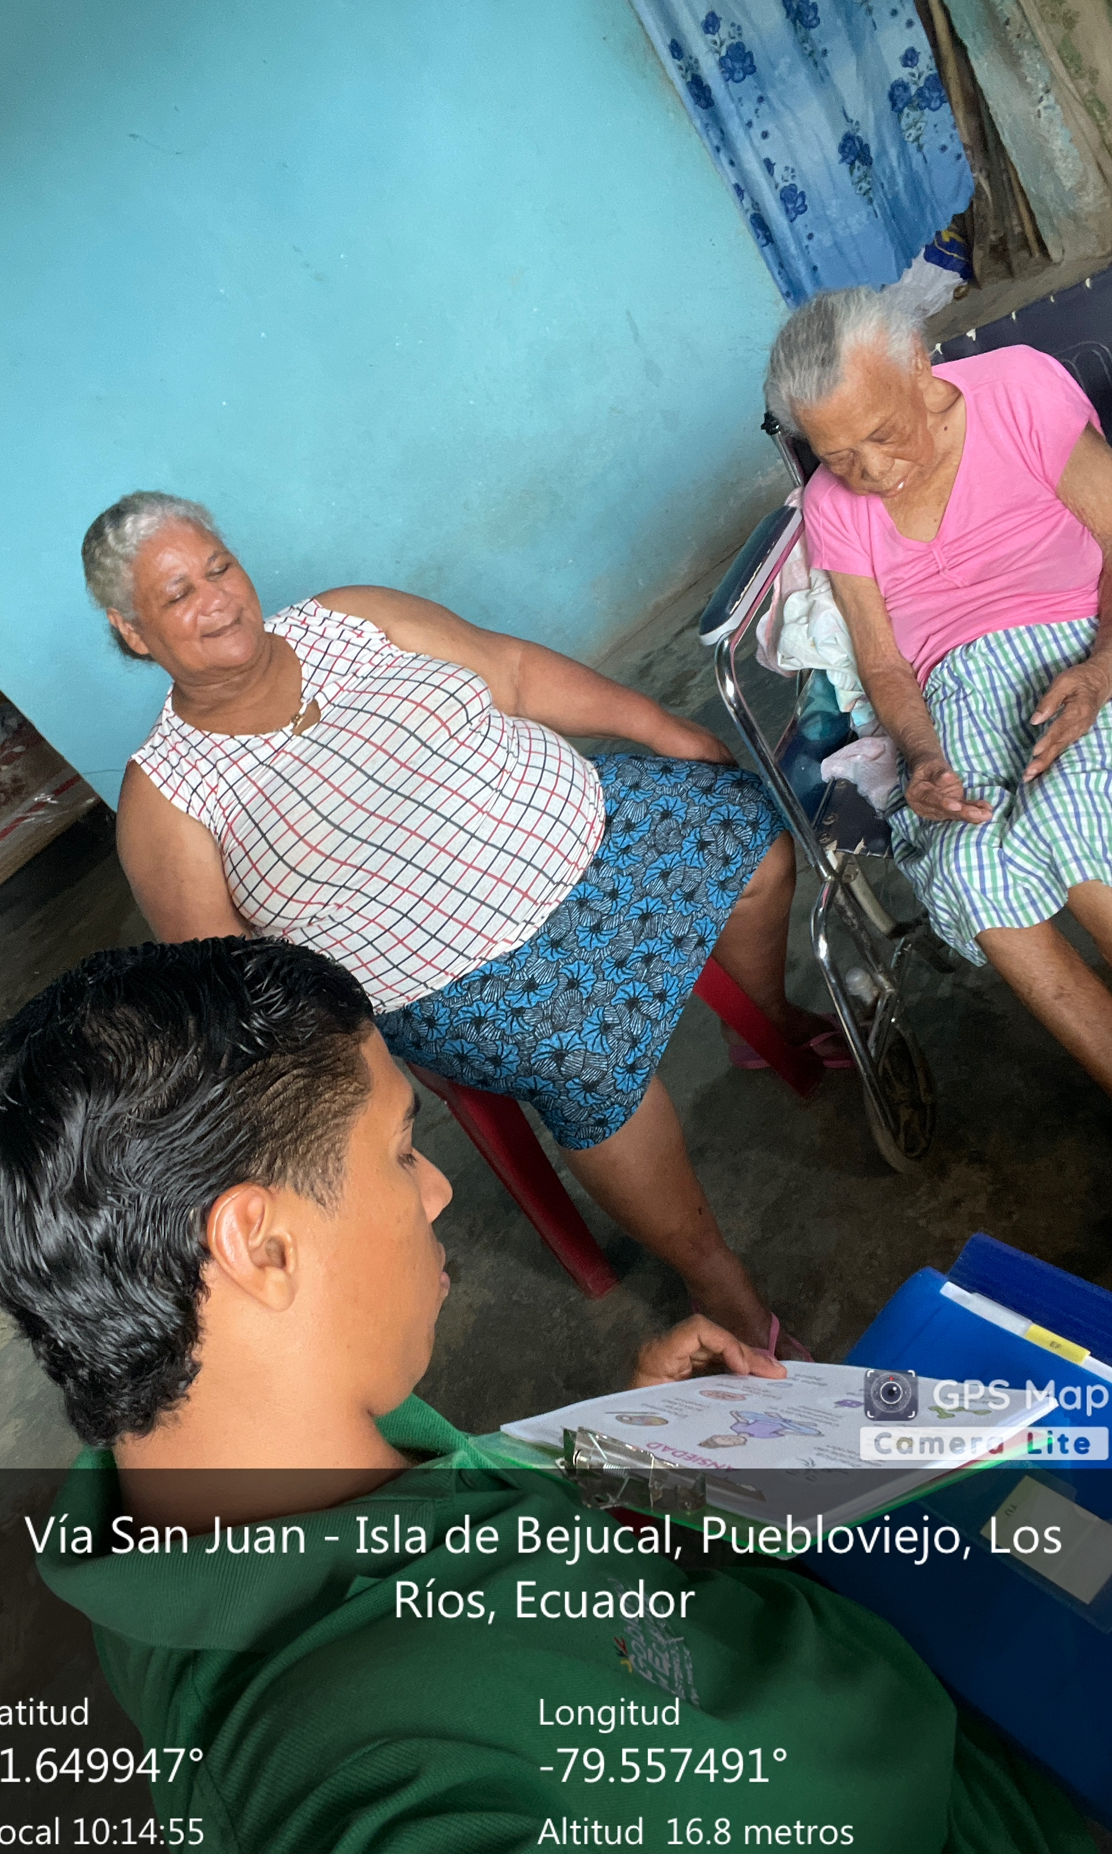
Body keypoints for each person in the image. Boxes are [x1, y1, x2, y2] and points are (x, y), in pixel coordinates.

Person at [0, 937, 1107, 1854]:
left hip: (831, 1678)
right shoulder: (390, 1822)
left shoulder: (189, 1486)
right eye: (401, 1150)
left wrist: (614, 1461)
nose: (438, 1192)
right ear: (261, 1245)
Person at [81, 491, 851, 1352]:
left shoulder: (351, 619)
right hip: (465, 978)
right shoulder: (168, 799)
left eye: (218, 567)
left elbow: (510, 671)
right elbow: (238, 985)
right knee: (585, 1056)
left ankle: (767, 1022)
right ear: (133, 632)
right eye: (178, 593)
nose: (217, 599)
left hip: (594, 825)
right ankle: (716, 1279)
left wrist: (660, 726)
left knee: (748, 828)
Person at [765, 288, 1112, 1098]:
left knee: (1079, 822)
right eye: (838, 455)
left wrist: (1102, 669)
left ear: (919, 364)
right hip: (952, 692)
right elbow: (884, 665)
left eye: (882, 433)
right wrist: (921, 758)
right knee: (969, 865)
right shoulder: (832, 505)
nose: (871, 471)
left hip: (1080, 643)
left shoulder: (1018, 390)